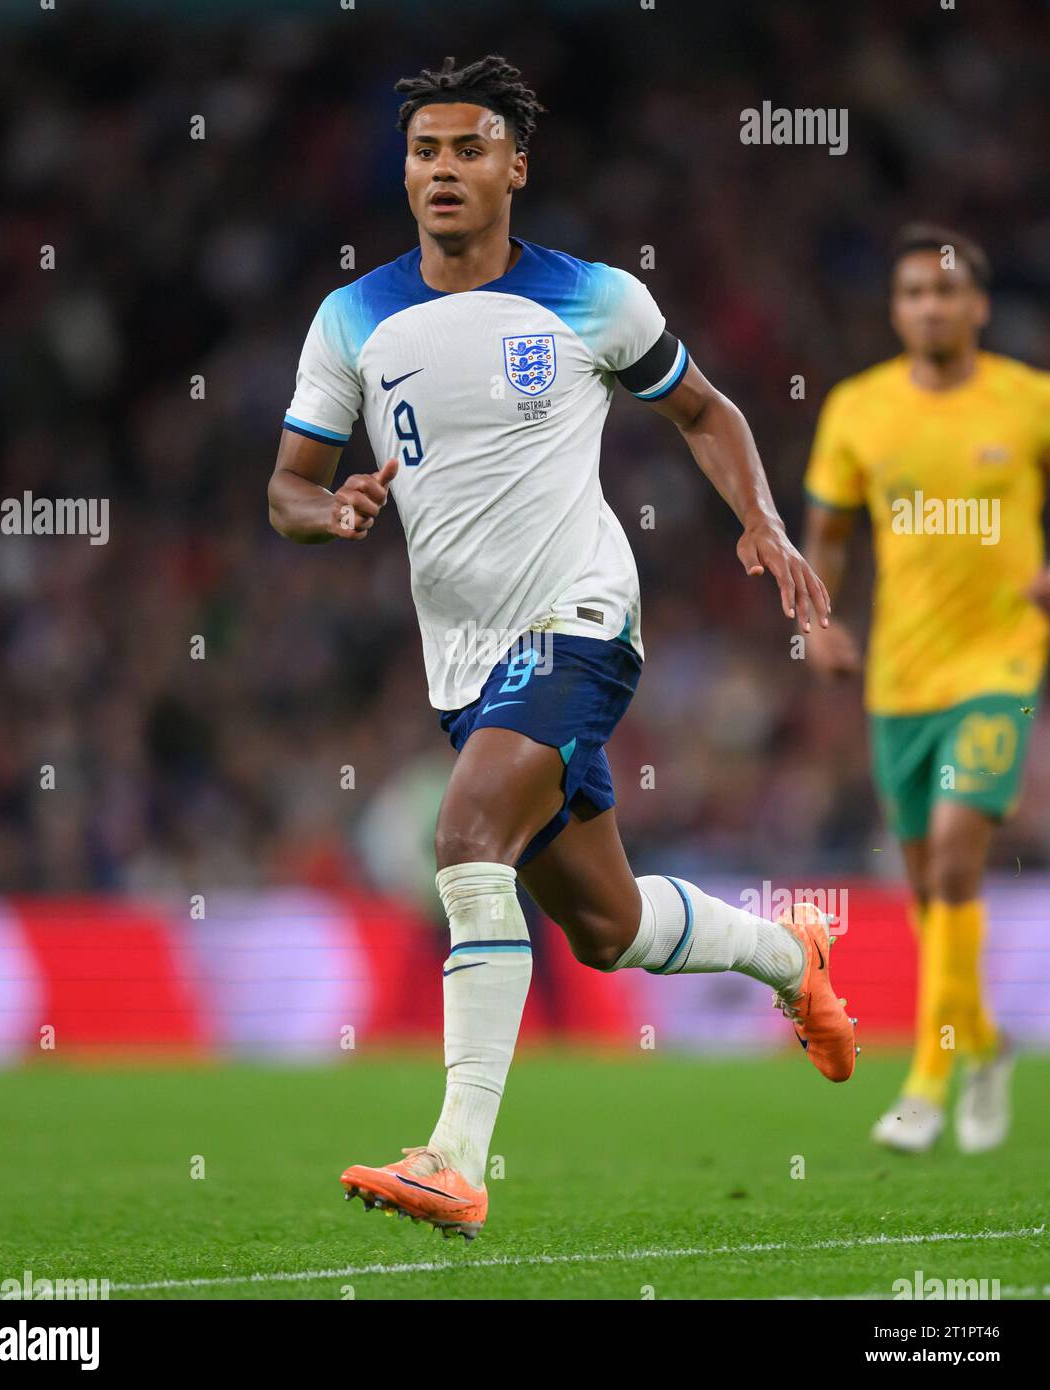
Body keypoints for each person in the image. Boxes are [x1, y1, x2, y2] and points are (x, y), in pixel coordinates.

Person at [269, 55, 855, 1240]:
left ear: (514, 168)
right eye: (425, 150)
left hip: (582, 616)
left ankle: (453, 1156)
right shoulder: (353, 317)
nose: (443, 168)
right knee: (608, 928)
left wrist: (761, 520)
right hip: (466, 661)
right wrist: (327, 510)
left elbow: (706, 410)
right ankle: (791, 957)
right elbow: (286, 483)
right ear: (406, 171)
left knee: (463, 834)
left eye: (469, 148)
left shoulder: (593, 298)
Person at [802, 224, 1050, 1154]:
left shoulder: (1030, 401)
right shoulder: (858, 409)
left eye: (946, 293)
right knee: (921, 886)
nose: (930, 307)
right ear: (897, 308)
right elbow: (825, 531)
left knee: (954, 860)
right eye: (912, 293)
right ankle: (987, 1043)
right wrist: (819, 620)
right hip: (900, 680)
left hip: (999, 668)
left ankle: (930, 1077)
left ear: (978, 306)